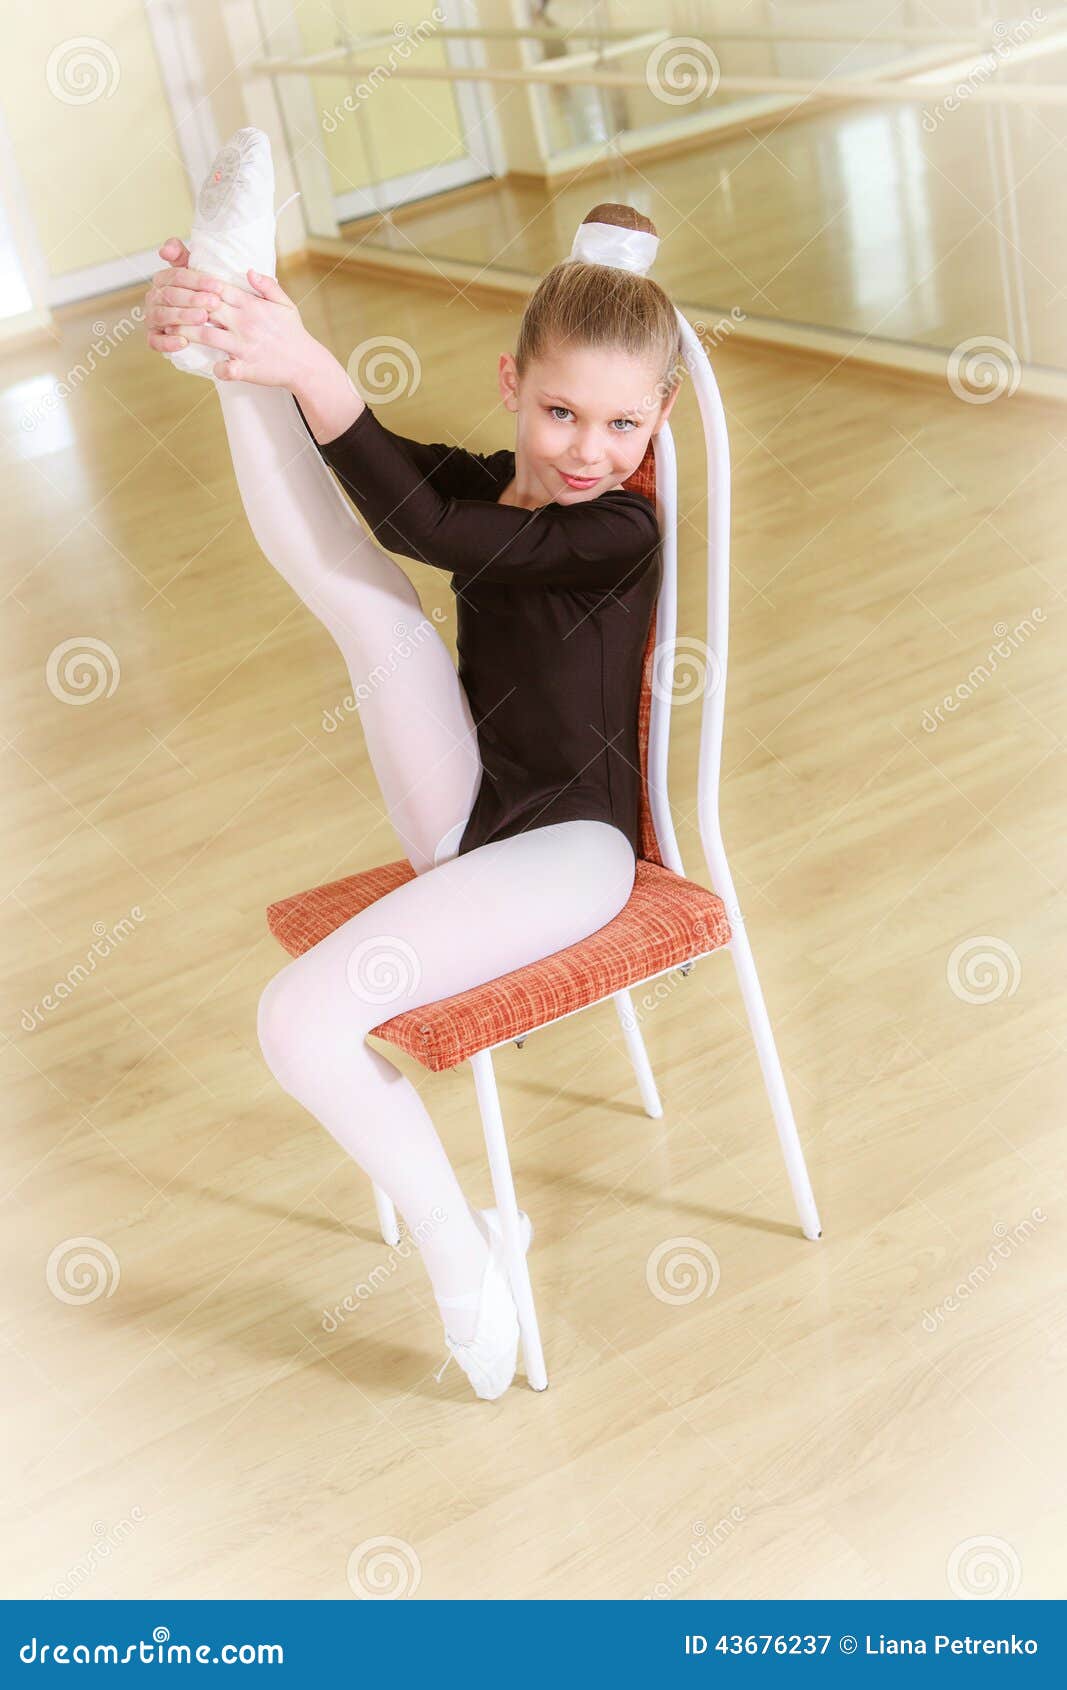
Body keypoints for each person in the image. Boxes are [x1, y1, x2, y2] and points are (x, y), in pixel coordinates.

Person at [143, 128, 682, 1400]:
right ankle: (228, 336)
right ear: (511, 385)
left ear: (654, 421)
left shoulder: (616, 530)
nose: (583, 447)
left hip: (574, 854)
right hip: (476, 820)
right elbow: (367, 505)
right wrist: (256, 345)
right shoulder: (518, 487)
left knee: (298, 1019)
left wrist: (311, 365)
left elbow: (421, 524)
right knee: (369, 607)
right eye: (557, 412)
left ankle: (464, 1249)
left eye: (617, 421)